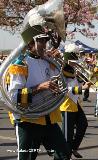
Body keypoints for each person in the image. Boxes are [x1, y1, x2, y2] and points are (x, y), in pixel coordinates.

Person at [8, 24, 70, 160]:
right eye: (41, 41)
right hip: (28, 120)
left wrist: (61, 61)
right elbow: (14, 97)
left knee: (64, 155)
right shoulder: (20, 64)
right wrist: (38, 88)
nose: (45, 44)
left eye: (45, 41)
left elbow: (67, 79)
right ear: (30, 43)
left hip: (48, 118)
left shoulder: (48, 61)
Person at [60, 43, 90, 159]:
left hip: (75, 103)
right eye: (72, 61)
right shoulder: (62, 70)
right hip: (66, 104)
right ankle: (65, 156)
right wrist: (81, 88)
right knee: (67, 135)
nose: (74, 63)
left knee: (83, 124)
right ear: (67, 60)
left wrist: (84, 84)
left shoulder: (73, 70)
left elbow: (75, 86)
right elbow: (64, 89)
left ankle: (73, 148)